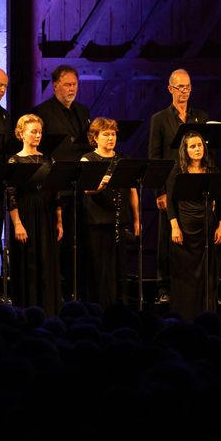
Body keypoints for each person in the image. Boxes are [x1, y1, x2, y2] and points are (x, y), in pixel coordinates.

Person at [148, 69, 209, 305]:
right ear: (170, 89)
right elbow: (155, 157)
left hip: (196, 185)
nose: (184, 91)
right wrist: (160, 191)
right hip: (171, 187)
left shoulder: (200, 117)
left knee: (195, 238)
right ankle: (164, 286)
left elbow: (207, 153)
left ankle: (193, 286)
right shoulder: (160, 119)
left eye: (188, 87)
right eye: (180, 87)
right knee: (168, 237)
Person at [35, 64, 91, 298]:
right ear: (55, 85)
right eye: (67, 84)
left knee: (80, 242)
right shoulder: (42, 112)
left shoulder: (82, 111)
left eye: (75, 84)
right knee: (59, 240)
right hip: (57, 187)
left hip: (80, 186)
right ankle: (57, 291)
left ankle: (78, 289)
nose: (72, 89)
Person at [80, 117, 141, 308]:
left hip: (118, 220)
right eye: (106, 134)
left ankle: (118, 306)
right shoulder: (88, 159)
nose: (110, 138)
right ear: (95, 137)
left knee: (119, 267)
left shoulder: (122, 160)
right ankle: (98, 307)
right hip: (96, 221)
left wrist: (136, 219)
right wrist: (101, 185)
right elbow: (86, 189)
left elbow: (132, 190)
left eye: (113, 134)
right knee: (99, 268)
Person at [5, 114, 61, 315]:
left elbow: (56, 193)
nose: (38, 135)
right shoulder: (14, 160)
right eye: (33, 132)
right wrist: (17, 224)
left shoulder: (48, 159)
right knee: (28, 263)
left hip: (46, 214)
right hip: (26, 213)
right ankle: (26, 312)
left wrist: (59, 221)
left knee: (47, 262)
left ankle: (49, 311)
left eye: (40, 132)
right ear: (21, 134)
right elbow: (11, 195)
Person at [165, 130, 221, 320]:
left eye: (200, 145)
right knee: (185, 276)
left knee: (207, 273)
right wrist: (174, 227)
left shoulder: (212, 170)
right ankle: (185, 316)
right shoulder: (177, 171)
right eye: (193, 146)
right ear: (185, 150)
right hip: (185, 229)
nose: (197, 149)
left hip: (207, 227)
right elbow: (170, 202)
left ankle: (207, 315)